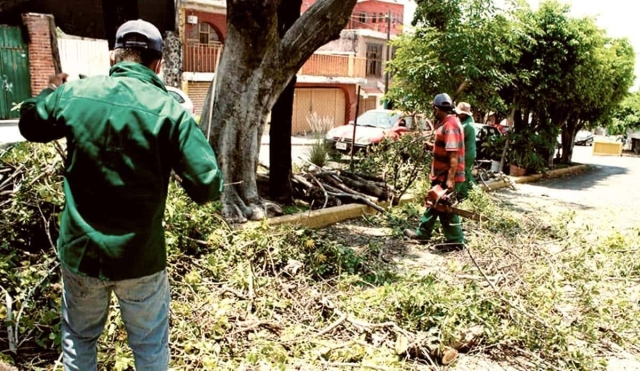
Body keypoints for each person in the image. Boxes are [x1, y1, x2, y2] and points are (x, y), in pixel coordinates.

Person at [19, 19, 224, 370]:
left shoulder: (75, 94)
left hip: (81, 254)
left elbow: (30, 124)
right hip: (140, 258)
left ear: (113, 59)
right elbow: (208, 186)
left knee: (79, 339)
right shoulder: (170, 112)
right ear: (158, 64)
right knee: (149, 346)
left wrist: (50, 90)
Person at [404, 93, 466, 250]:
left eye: (434, 109)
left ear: (438, 109)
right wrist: (432, 147)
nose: (433, 112)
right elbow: (448, 148)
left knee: (446, 209)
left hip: (446, 175)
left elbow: (453, 155)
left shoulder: (450, 126)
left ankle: (456, 241)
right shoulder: (448, 123)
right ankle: (423, 234)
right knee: (433, 204)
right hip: (442, 175)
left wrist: (450, 179)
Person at [455, 102, 476, 199]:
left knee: (462, 174)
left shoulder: (466, 126)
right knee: (466, 173)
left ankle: (465, 194)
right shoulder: (469, 120)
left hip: (467, 153)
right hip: (470, 152)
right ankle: (470, 194)